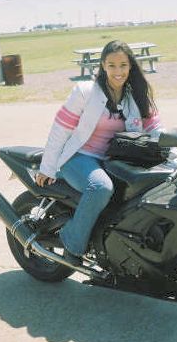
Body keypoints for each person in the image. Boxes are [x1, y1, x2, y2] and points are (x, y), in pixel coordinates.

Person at [35, 40, 163, 265]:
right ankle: (72, 241)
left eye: (123, 65)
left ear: (130, 66)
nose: (118, 71)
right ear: (103, 65)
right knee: (101, 187)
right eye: (112, 65)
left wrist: (172, 147)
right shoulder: (85, 92)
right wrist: (47, 166)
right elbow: (60, 129)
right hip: (80, 157)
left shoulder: (137, 94)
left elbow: (155, 128)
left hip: (116, 161)